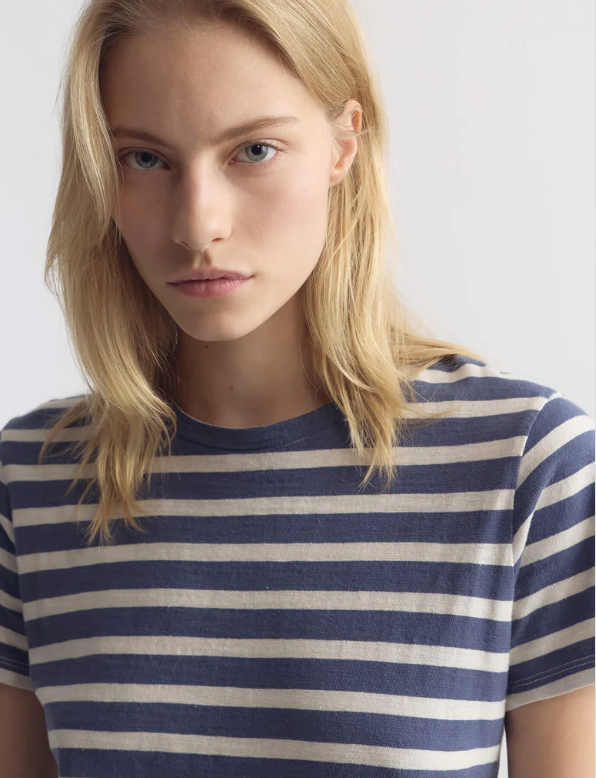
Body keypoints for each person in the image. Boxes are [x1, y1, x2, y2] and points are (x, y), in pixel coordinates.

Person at [0, 1, 594, 776]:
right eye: (144, 159)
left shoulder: (525, 465)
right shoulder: (32, 480)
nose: (197, 224)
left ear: (344, 143)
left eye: (253, 149)